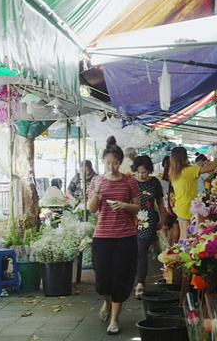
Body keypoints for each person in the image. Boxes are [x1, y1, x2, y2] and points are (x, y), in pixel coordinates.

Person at [87, 136, 140, 336]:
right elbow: (91, 209)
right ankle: (106, 301)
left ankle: (115, 318)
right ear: (103, 162)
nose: (112, 166)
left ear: (121, 162)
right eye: (108, 162)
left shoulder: (129, 181)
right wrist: (97, 192)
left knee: (121, 276)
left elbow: (138, 208)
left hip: (125, 236)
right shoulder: (96, 181)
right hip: (102, 236)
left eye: (115, 162)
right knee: (102, 277)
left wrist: (125, 206)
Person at [132, 155, 165, 299]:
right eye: (138, 171)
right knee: (133, 252)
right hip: (132, 219)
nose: (141, 175)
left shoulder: (155, 183)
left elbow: (160, 202)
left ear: (149, 170)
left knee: (141, 251)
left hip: (148, 220)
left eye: (144, 172)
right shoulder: (130, 182)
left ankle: (140, 283)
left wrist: (162, 219)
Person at [169, 146, 217, 240]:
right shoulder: (189, 170)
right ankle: (181, 254)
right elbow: (212, 167)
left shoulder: (173, 171)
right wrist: (216, 156)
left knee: (182, 235)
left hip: (179, 206)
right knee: (187, 237)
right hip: (188, 207)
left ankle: (177, 253)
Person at [159, 156, 179, 245]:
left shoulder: (160, 180)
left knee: (165, 227)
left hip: (164, 206)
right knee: (176, 227)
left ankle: (167, 246)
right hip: (175, 206)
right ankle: (173, 248)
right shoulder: (176, 178)